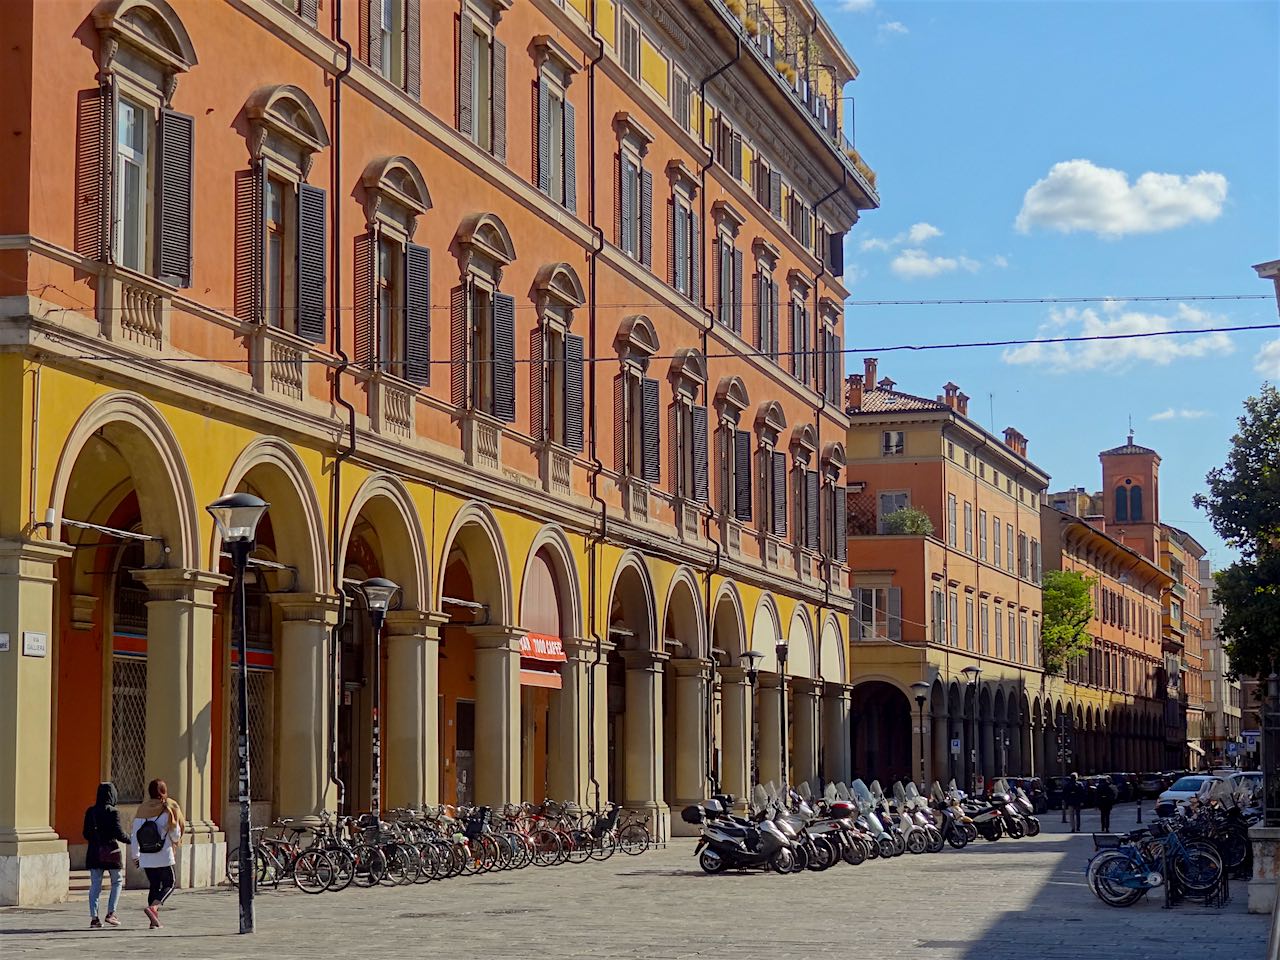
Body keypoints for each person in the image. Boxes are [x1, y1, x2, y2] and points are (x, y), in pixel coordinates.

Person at [130, 778, 184, 929]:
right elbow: (175, 834)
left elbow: (134, 835)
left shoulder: (142, 810)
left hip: (146, 855)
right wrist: (176, 838)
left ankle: (153, 922)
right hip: (163, 853)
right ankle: (153, 908)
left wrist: (136, 856)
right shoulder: (168, 808)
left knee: (154, 885)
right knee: (170, 883)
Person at [82, 781, 129, 929]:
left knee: (95, 884)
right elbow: (119, 833)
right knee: (117, 881)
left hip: (94, 852)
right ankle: (111, 913)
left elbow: (85, 833)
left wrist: (96, 839)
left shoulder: (91, 811)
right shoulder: (113, 812)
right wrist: (131, 839)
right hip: (111, 852)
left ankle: (94, 918)